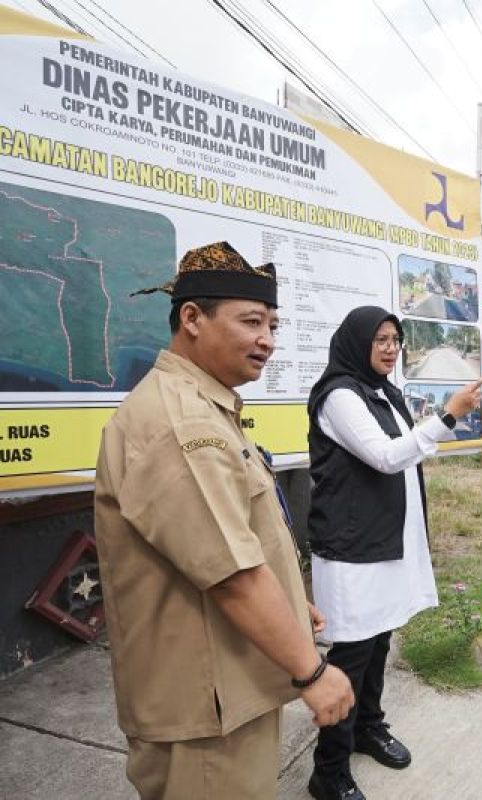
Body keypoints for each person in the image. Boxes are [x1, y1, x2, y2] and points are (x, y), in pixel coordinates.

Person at [94, 242, 354, 799]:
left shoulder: (205, 406)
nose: (268, 340)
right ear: (192, 318)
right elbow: (233, 578)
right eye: (252, 321)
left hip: (228, 689)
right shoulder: (181, 423)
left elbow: (231, 539)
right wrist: (313, 673)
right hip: (204, 712)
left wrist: (287, 597)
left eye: (273, 325)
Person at [305, 306, 482, 800]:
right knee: (351, 657)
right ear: (355, 342)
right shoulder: (341, 396)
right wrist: (448, 416)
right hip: (352, 551)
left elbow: (404, 452)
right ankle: (329, 770)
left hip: (384, 543)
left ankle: (368, 726)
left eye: (396, 339)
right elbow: (387, 457)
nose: (390, 347)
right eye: (380, 338)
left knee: (379, 642)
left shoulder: (381, 391)